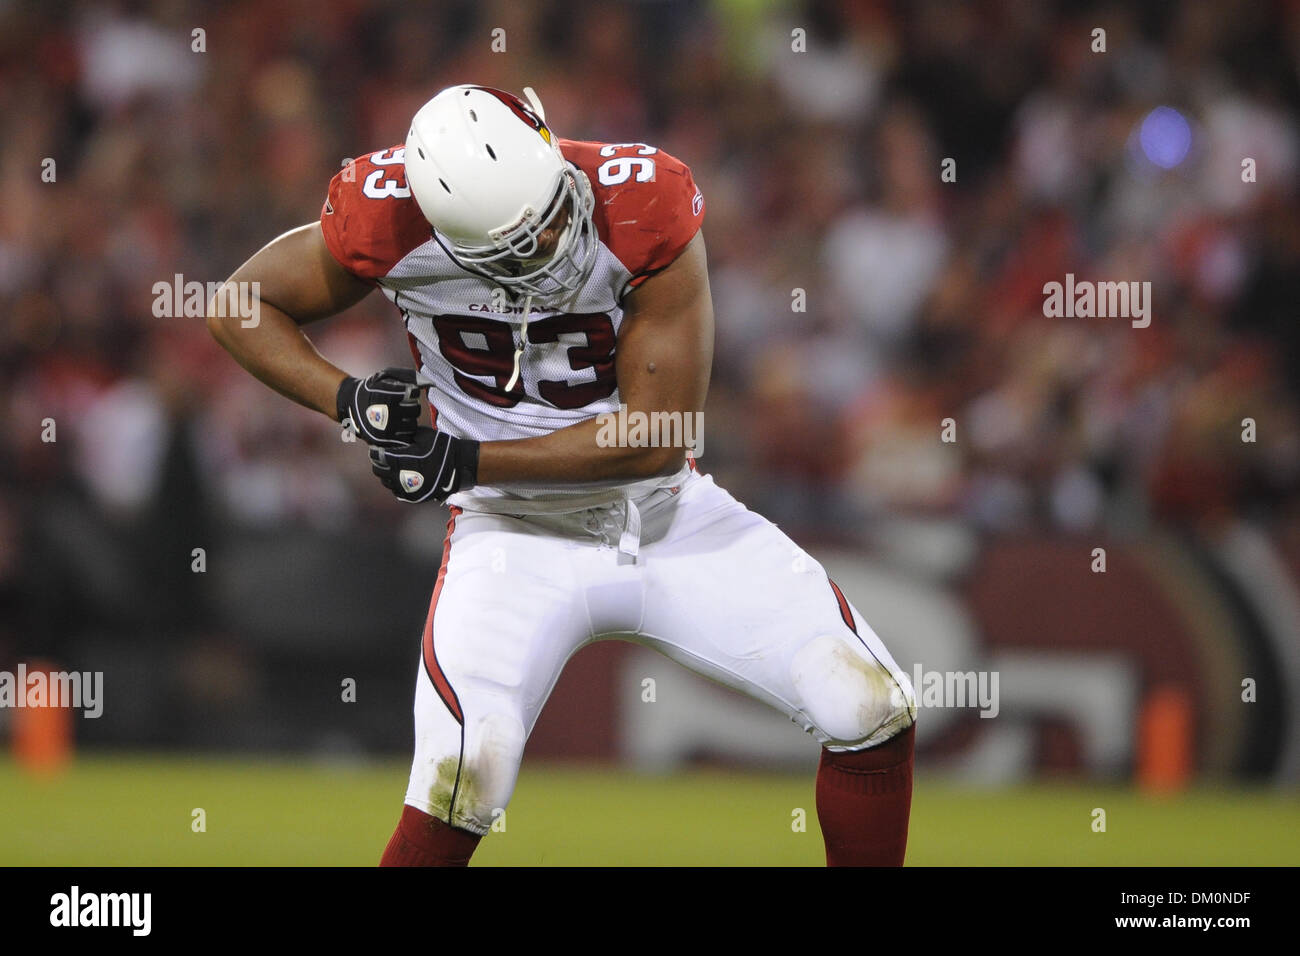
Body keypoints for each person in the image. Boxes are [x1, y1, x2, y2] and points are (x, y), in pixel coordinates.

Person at [207, 84, 917, 866]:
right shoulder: (389, 216)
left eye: (550, 211)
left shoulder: (642, 199)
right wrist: (346, 399)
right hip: (507, 534)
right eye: (518, 243)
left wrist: (462, 460)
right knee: (461, 782)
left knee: (871, 707)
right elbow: (240, 302)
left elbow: (655, 436)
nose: (551, 240)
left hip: (664, 514)